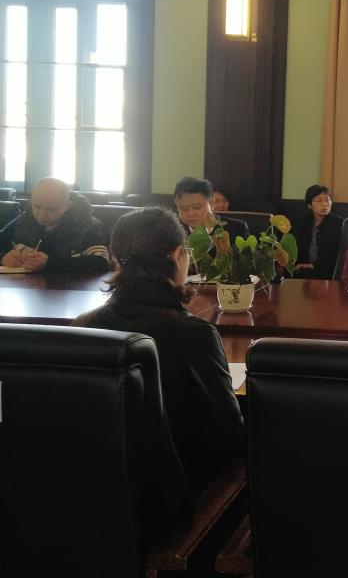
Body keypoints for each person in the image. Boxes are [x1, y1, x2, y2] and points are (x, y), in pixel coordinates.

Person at [74, 207, 245, 492]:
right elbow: (229, 436)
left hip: (99, 490)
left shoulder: (85, 326)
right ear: (177, 255)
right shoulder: (195, 335)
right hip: (179, 496)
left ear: (117, 258)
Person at [0, 177, 110, 273]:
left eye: (51, 210)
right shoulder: (24, 220)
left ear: (67, 206)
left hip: (69, 288)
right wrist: (3, 258)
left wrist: (50, 263)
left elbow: (102, 262)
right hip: (23, 287)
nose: (42, 215)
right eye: (37, 207)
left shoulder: (87, 225)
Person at [173, 177, 249, 244]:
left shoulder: (237, 229)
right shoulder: (173, 232)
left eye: (197, 207)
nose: (191, 214)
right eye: (184, 209)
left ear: (211, 204)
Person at [293, 184, 343, 279]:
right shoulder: (302, 223)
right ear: (310, 205)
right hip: (304, 270)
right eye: (319, 201)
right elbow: (297, 250)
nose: (324, 204)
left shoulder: (339, 223)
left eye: (327, 200)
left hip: (328, 271)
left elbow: (336, 254)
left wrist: (314, 265)